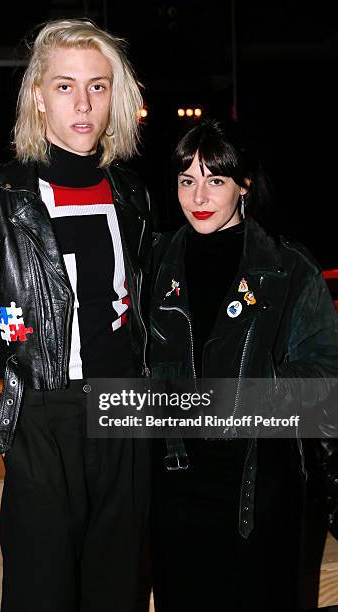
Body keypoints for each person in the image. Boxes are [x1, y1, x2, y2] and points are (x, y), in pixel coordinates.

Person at [0, 19, 152, 612]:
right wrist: (4, 427)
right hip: (41, 419)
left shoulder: (134, 196)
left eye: (99, 86)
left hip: (126, 416)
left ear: (118, 96)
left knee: (117, 592)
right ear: (37, 96)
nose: (83, 103)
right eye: (64, 86)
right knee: (41, 593)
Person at [149, 116, 338, 611]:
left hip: (259, 493)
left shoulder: (288, 268)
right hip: (175, 494)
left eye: (216, 180)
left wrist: (248, 396)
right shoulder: (155, 262)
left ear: (244, 186)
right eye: (187, 181)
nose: (199, 197)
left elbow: (327, 383)